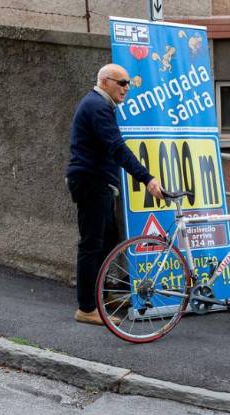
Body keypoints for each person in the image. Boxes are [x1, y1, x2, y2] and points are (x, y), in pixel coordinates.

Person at [66, 64, 163, 325]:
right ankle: (86, 308)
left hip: (98, 183)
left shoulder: (100, 105)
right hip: (91, 182)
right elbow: (117, 147)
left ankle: (100, 296)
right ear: (105, 81)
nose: (127, 88)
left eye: (128, 83)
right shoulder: (97, 106)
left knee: (108, 241)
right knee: (92, 244)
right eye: (121, 83)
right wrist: (147, 178)